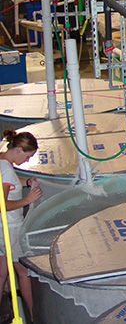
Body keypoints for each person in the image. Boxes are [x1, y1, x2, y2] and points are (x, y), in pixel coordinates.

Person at [0, 130, 42, 323]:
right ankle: (34, 317)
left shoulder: (2, 160)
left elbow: (8, 184)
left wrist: (26, 182)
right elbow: (2, 204)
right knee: (23, 271)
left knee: (2, 271)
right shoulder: (7, 169)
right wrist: (27, 200)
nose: (26, 161)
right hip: (10, 227)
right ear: (18, 150)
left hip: (2, 229)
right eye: (27, 156)